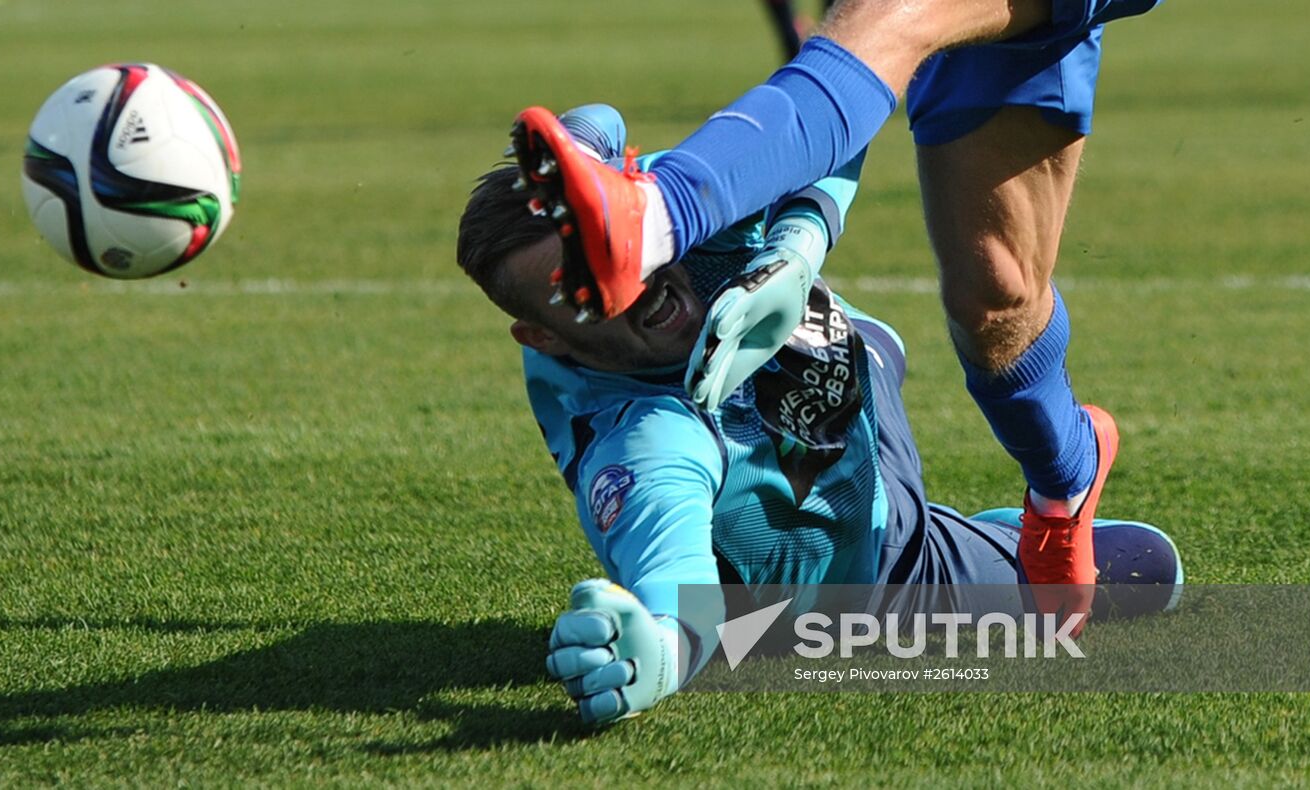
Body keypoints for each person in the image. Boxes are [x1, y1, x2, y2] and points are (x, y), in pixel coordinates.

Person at [460, 107, 1182, 725]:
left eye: (603, 248)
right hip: (889, 569)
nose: (626, 281)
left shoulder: (653, 221)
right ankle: (983, 536)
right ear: (544, 338)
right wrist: (657, 649)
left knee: (872, 343)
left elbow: (834, 118)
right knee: (1152, 569)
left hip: (853, 381)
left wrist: (796, 244)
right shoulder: (648, 442)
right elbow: (680, 585)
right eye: (577, 290)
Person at [505, 0, 1164, 628]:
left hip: (851, 418)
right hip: (845, 432)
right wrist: (797, 247)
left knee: (885, 22)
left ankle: (660, 214)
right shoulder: (639, 430)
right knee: (997, 294)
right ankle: (1066, 479)